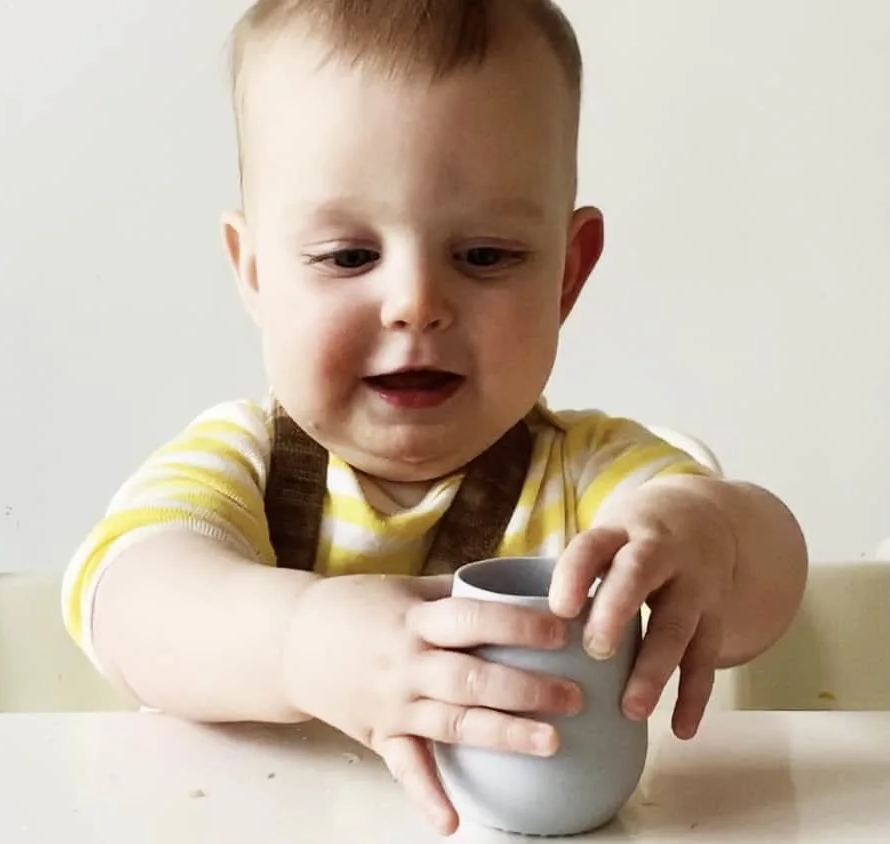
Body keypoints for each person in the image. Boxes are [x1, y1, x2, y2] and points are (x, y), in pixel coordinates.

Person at [60, 0, 808, 835]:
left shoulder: (593, 477)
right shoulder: (241, 463)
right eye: (348, 256)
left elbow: (765, 585)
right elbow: (127, 604)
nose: (415, 304)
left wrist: (708, 535)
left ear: (566, 275)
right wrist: (303, 644)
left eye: (484, 255)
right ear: (257, 273)